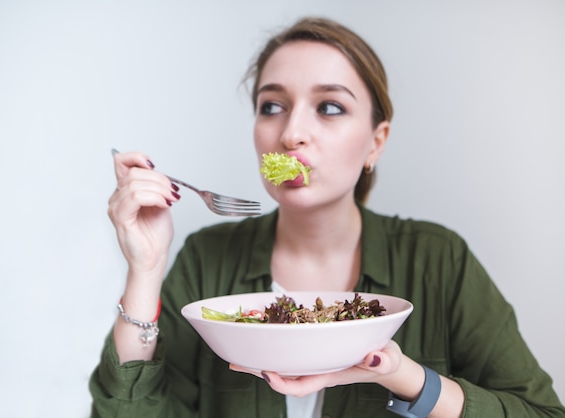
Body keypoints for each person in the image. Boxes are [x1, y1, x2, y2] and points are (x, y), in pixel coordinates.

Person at [89, 17, 565, 418]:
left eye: (330, 107)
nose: (291, 133)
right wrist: (144, 271)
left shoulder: (438, 259)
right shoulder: (206, 259)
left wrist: (403, 376)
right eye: (271, 106)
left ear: (375, 142)